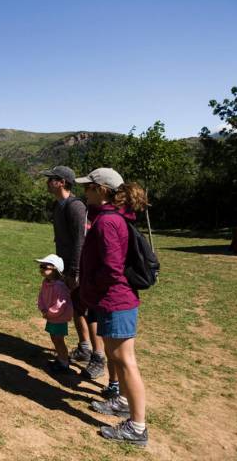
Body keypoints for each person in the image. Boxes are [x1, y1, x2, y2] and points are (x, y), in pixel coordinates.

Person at [75, 168, 149, 446]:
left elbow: (112, 269)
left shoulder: (108, 222)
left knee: (126, 362)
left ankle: (138, 428)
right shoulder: (109, 218)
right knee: (117, 357)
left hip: (115, 300)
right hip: (111, 300)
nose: (86, 191)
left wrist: (88, 290)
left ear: (102, 190)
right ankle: (120, 402)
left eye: (89, 187)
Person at [41, 166, 107, 380]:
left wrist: (75, 271)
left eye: (51, 179)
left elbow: (81, 239)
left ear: (61, 182)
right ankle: (84, 347)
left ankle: (98, 357)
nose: (47, 182)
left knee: (87, 310)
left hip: (79, 267)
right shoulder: (58, 205)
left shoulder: (75, 206)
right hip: (66, 266)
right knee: (77, 307)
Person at [35, 254, 74, 374]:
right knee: (54, 338)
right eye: (40, 266)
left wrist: (49, 313)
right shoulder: (45, 282)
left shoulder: (60, 286)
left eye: (44, 267)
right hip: (51, 317)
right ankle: (61, 359)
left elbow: (60, 305)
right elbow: (41, 296)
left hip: (59, 318)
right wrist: (42, 308)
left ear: (55, 269)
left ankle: (64, 364)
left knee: (58, 340)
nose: (41, 269)